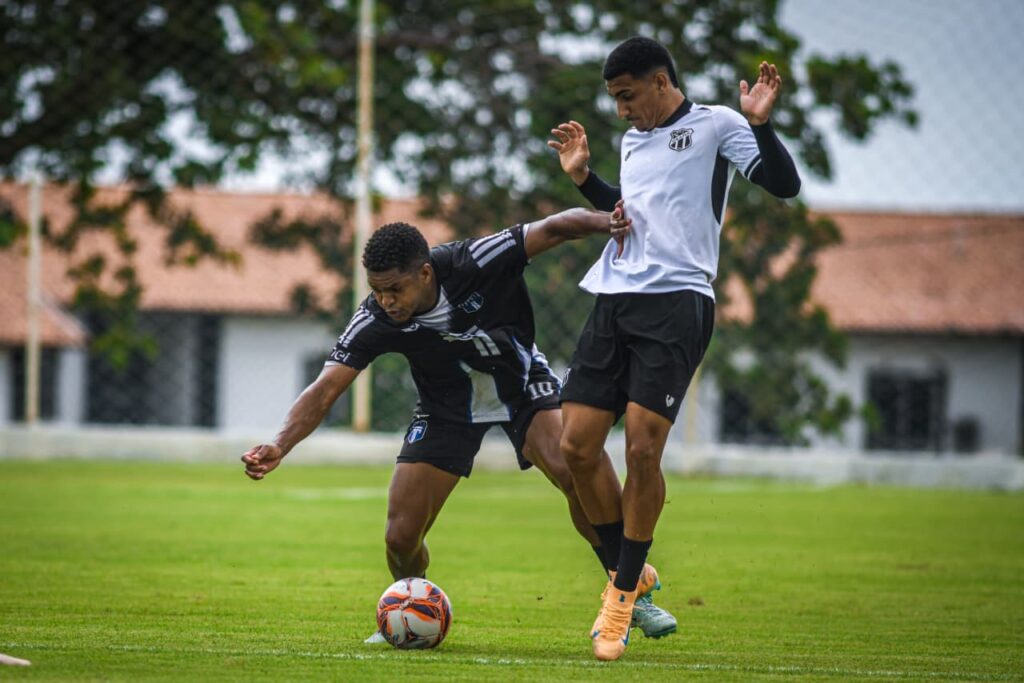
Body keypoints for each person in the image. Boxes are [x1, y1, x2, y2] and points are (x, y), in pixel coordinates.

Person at [240, 207, 679, 642]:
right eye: (377, 291)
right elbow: (324, 388)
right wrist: (281, 443)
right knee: (400, 535)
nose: (386, 301)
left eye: (394, 289)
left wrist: (611, 222)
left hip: (522, 385)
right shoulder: (375, 318)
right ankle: (410, 605)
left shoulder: (474, 261)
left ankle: (629, 592)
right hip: (446, 408)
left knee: (572, 467)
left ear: (426, 274)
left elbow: (556, 227)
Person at [547, 36, 801, 661]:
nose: (621, 111)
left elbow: (784, 184)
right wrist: (585, 180)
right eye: (614, 99)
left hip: (678, 301)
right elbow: (629, 214)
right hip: (614, 296)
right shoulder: (634, 141)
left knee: (641, 446)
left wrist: (763, 127)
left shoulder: (718, 125)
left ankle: (620, 599)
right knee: (576, 447)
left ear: (660, 81)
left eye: (627, 96)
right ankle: (629, 572)